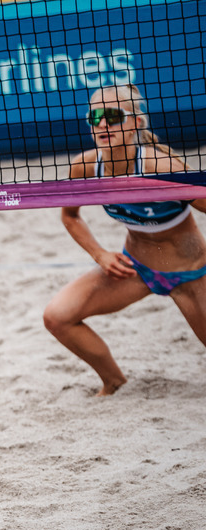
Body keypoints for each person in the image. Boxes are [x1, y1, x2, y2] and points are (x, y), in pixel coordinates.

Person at [43, 85, 206, 395]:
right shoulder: (85, 166)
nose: (103, 124)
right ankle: (113, 381)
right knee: (57, 317)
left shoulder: (160, 167)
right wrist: (99, 254)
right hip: (135, 269)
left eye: (113, 116)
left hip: (191, 273)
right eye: (95, 117)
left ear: (136, 123)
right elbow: (71, 216)